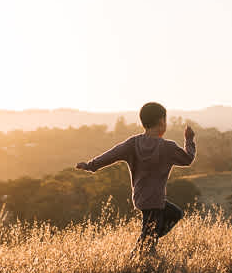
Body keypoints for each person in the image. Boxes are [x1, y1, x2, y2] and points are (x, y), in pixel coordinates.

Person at [76, 101, 196, 253]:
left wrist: (90, 165)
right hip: (155, 200)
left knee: (174, 214)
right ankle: (140, 253)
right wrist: (189, 140)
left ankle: (147, 242)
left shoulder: (133, 143)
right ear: (161, 121)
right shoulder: (167, 147)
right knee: (147, 245)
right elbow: (187, 159)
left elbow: (111, 155)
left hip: (141, 197)